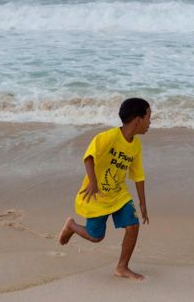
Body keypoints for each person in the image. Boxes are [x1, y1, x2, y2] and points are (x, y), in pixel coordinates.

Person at [58, 97, 151, 281]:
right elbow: (89, 157)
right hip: (97, 195)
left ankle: (122, 267)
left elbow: (138, 175)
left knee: (133, 226)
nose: (150, 122)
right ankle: (71, 226)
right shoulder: (108, 137)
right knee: (95, 237)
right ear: (138, 120)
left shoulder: (136, 145)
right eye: (149, 116)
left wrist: (142, 203)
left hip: (118, 194)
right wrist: (93, 182)